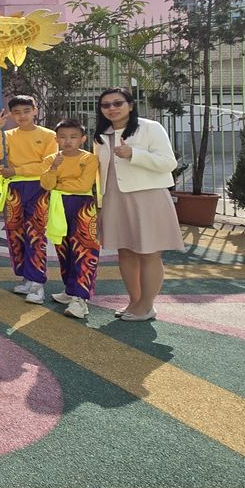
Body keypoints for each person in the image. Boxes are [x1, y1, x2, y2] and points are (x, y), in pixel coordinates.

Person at [93, 87, 183, 321]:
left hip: (148, 197)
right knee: (125, 251)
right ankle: (134, 302)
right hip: (114, 199)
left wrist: (134, 153)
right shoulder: (101, 135)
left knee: (149, 252)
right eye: (106, 105)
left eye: (117, 103)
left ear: (131, 105)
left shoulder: (150, 127)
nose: (112, 108)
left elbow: (169, 163)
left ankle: (146, 305)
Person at [0, 95, 57, 298]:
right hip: (14, 189)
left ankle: (37, 283)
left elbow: (47, 165)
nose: (22, 116)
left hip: (38, 188)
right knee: (15, 233)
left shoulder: (49, 135)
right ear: (11, 114)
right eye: (17, 112)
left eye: (27, 111)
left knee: (36, 233)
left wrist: (17, 170)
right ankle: (26, 277)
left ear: (35, 110)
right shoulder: (7, 135)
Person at [40, 118, 100, 319]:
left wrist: (59, 184)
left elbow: (84, 185)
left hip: (83, 207)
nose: (68, 141)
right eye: (63, 137)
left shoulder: (90, 159)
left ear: (83, 139)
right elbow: (46, 184)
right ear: (56, 139)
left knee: (84, 249)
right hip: (58, 205)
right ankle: (70, 289)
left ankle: (80, 298)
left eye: (73, 137)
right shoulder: (50, 159)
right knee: (63, 249)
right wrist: (54, 169)